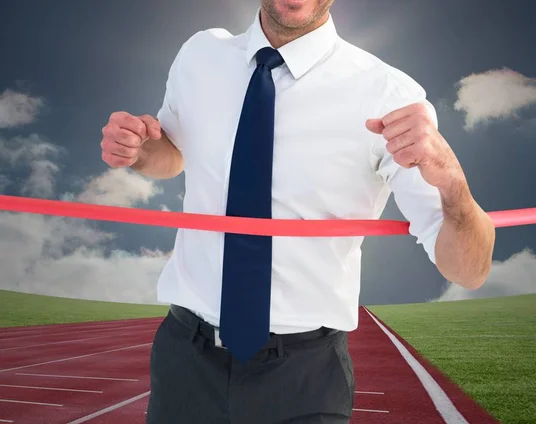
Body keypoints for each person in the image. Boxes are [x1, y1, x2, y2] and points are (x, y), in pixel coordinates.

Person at [100, 0, 496, 422]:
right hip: (185, 358)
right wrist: (140, 150)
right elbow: (175, 153)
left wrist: (452, 180)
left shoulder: (390, 96)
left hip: (303, 378)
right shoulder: (200, 55)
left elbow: (468, 270)